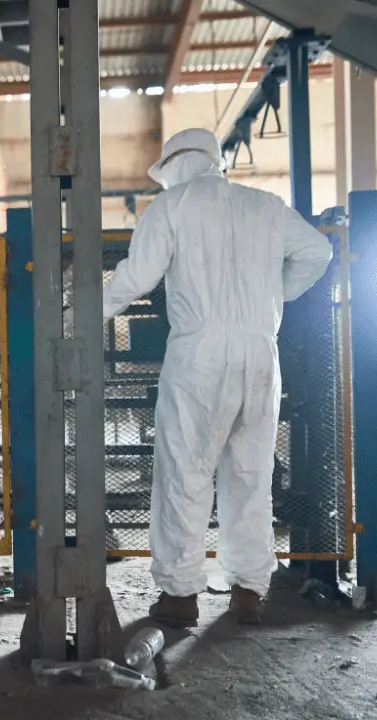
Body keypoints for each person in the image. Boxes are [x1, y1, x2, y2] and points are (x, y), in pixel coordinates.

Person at [102, 128, 332, 627]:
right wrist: (275, 297)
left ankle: (181, 596)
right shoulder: (267, 206)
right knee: (250, 474)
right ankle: (248, 591)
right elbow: (319, 252)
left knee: (185, 473)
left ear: (173, 168)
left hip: (199, 353)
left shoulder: (171, 207)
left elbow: (136, 277)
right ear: (215, 161)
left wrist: (82, 314)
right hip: (260, 350)